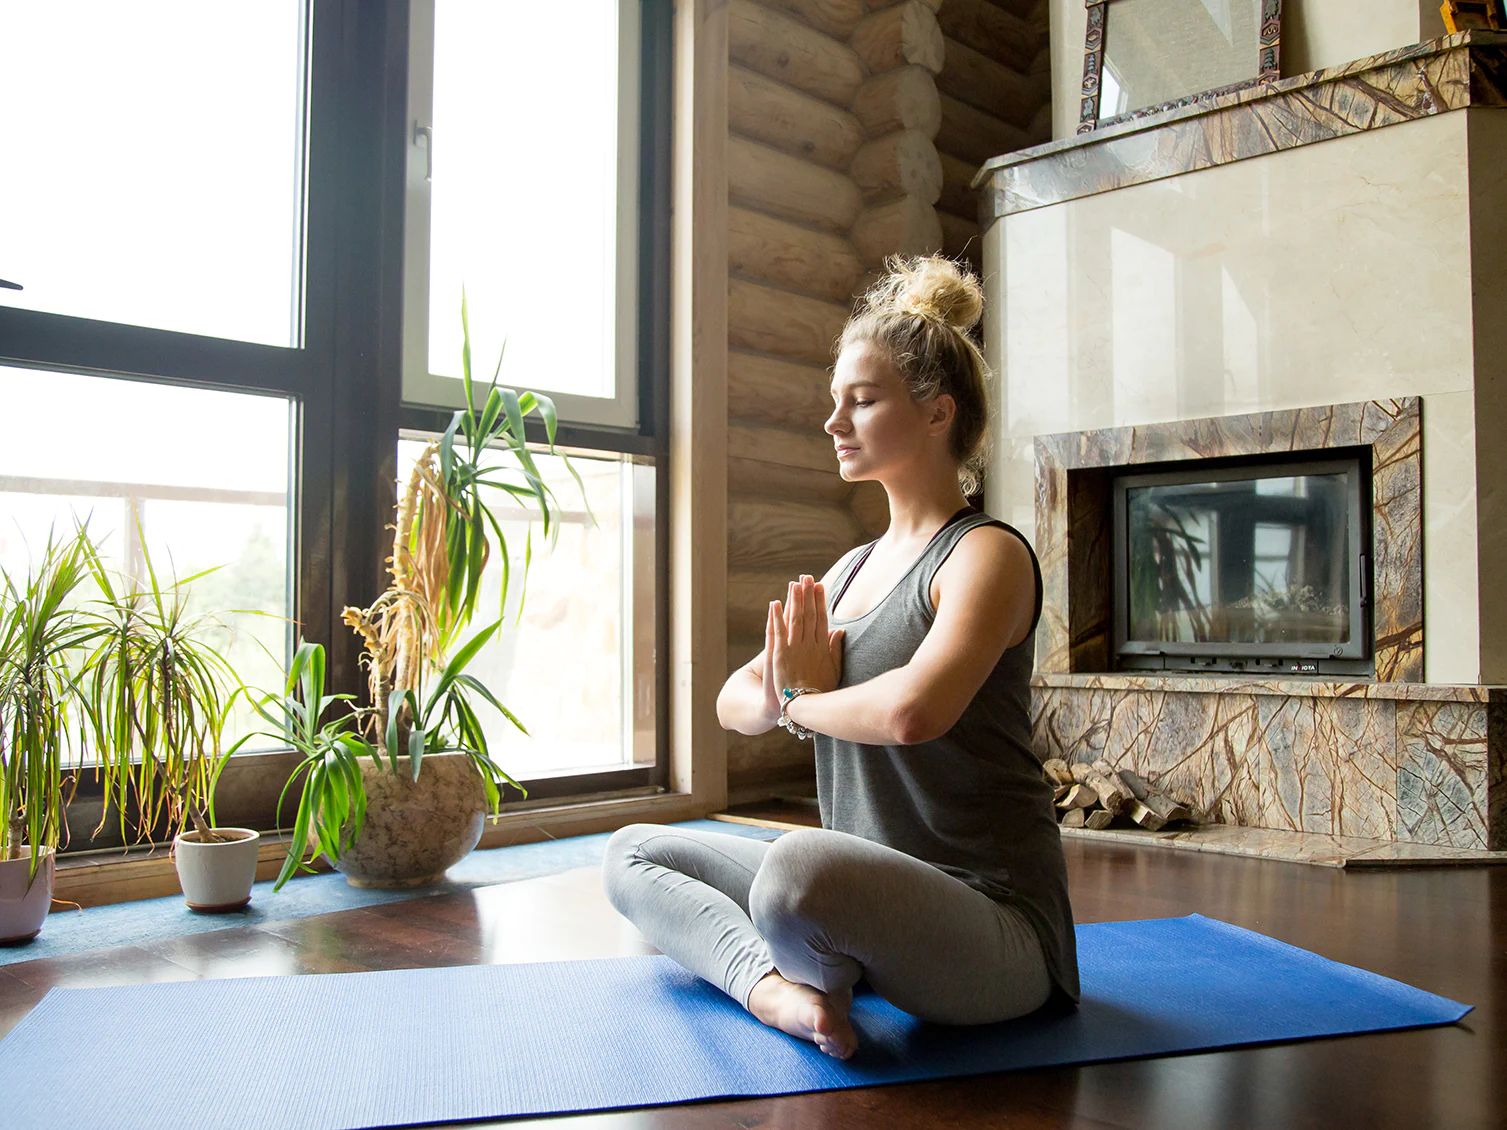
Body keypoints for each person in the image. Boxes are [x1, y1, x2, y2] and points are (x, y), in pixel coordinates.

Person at [601, 254, 1078, 1061]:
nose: (834, 422)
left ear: (936, 414)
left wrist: (794, 704)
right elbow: (733, 701)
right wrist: (783, 693)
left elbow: (910, 712)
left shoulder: (983, 555)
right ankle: (776, 991)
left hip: (993, 930)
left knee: (796, 870)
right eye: (834, 402)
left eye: (861, 400)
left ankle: (815, 965)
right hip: (867, 901)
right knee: (632, 852)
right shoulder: (848, 570)